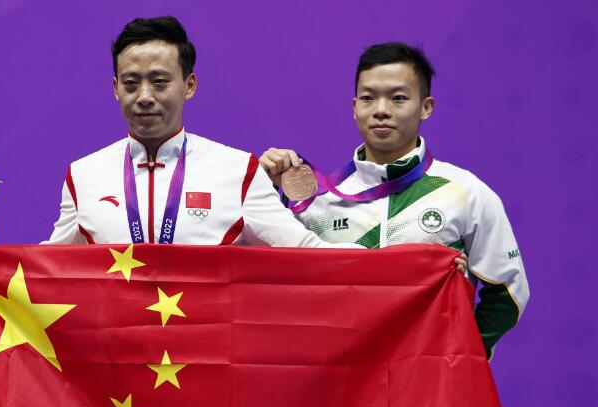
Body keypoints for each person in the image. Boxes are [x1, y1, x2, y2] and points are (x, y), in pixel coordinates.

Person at [260, 42, 526, 358]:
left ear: (426, 107)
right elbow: (277, 288)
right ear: (354, 107)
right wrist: (263, 190)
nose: (381, 110)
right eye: (368, 98)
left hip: (428, 381)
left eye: (398, 98)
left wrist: (461, 358)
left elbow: (507, 293)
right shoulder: (318, 202)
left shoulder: (466, 193)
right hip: (342, 379)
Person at [44, 16, 349, 248]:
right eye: (131, 83)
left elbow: (305, 250)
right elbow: (47, 268)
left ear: (189, 85)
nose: (144, 96)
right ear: (115, 89)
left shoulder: (239, 171)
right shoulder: (83, 175)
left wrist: (379, 267)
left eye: (160, 82)